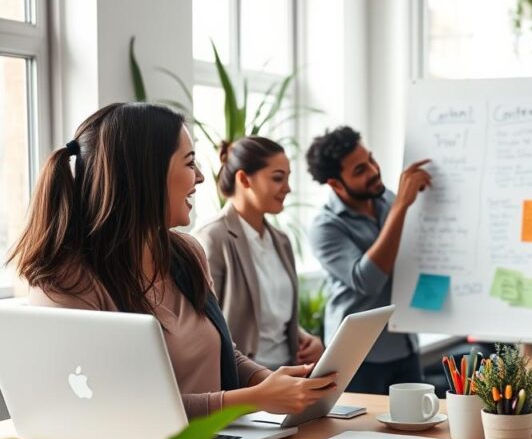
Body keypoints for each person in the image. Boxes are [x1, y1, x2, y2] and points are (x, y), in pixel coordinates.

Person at [6, 103, 337, 418]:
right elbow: (123, 406)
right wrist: (252, 399)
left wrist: (275, 384)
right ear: (146, 175)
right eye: (190, 163)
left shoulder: (185, 253)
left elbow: (226, 355)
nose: (202, 178)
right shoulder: (67, 284)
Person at [306, 126, 432, 395]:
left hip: (404, 344)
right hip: (358, 357)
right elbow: (369, 280)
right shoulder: (324, 227)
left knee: (415, 430)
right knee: (362, 433)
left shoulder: (387, 199)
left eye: (371, 160)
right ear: (335, 184)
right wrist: (402, 207)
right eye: (359, 170)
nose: (374, 171)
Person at [194, 137, 324, 371]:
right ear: (244, 179)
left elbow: (271, 316)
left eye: (288, 177)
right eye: (277, 178)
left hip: (289, 374)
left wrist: (303, 336)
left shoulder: (281, 241)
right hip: (244, 382)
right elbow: (202, 326)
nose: (288, 188)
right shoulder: (212, 239)